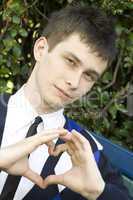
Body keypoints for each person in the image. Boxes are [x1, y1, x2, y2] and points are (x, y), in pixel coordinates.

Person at [0, 5, 132, 200]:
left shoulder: (87, 154)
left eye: (88, 75)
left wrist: (98, 192)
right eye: (70, 61)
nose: (74, 82)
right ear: (41, 49)